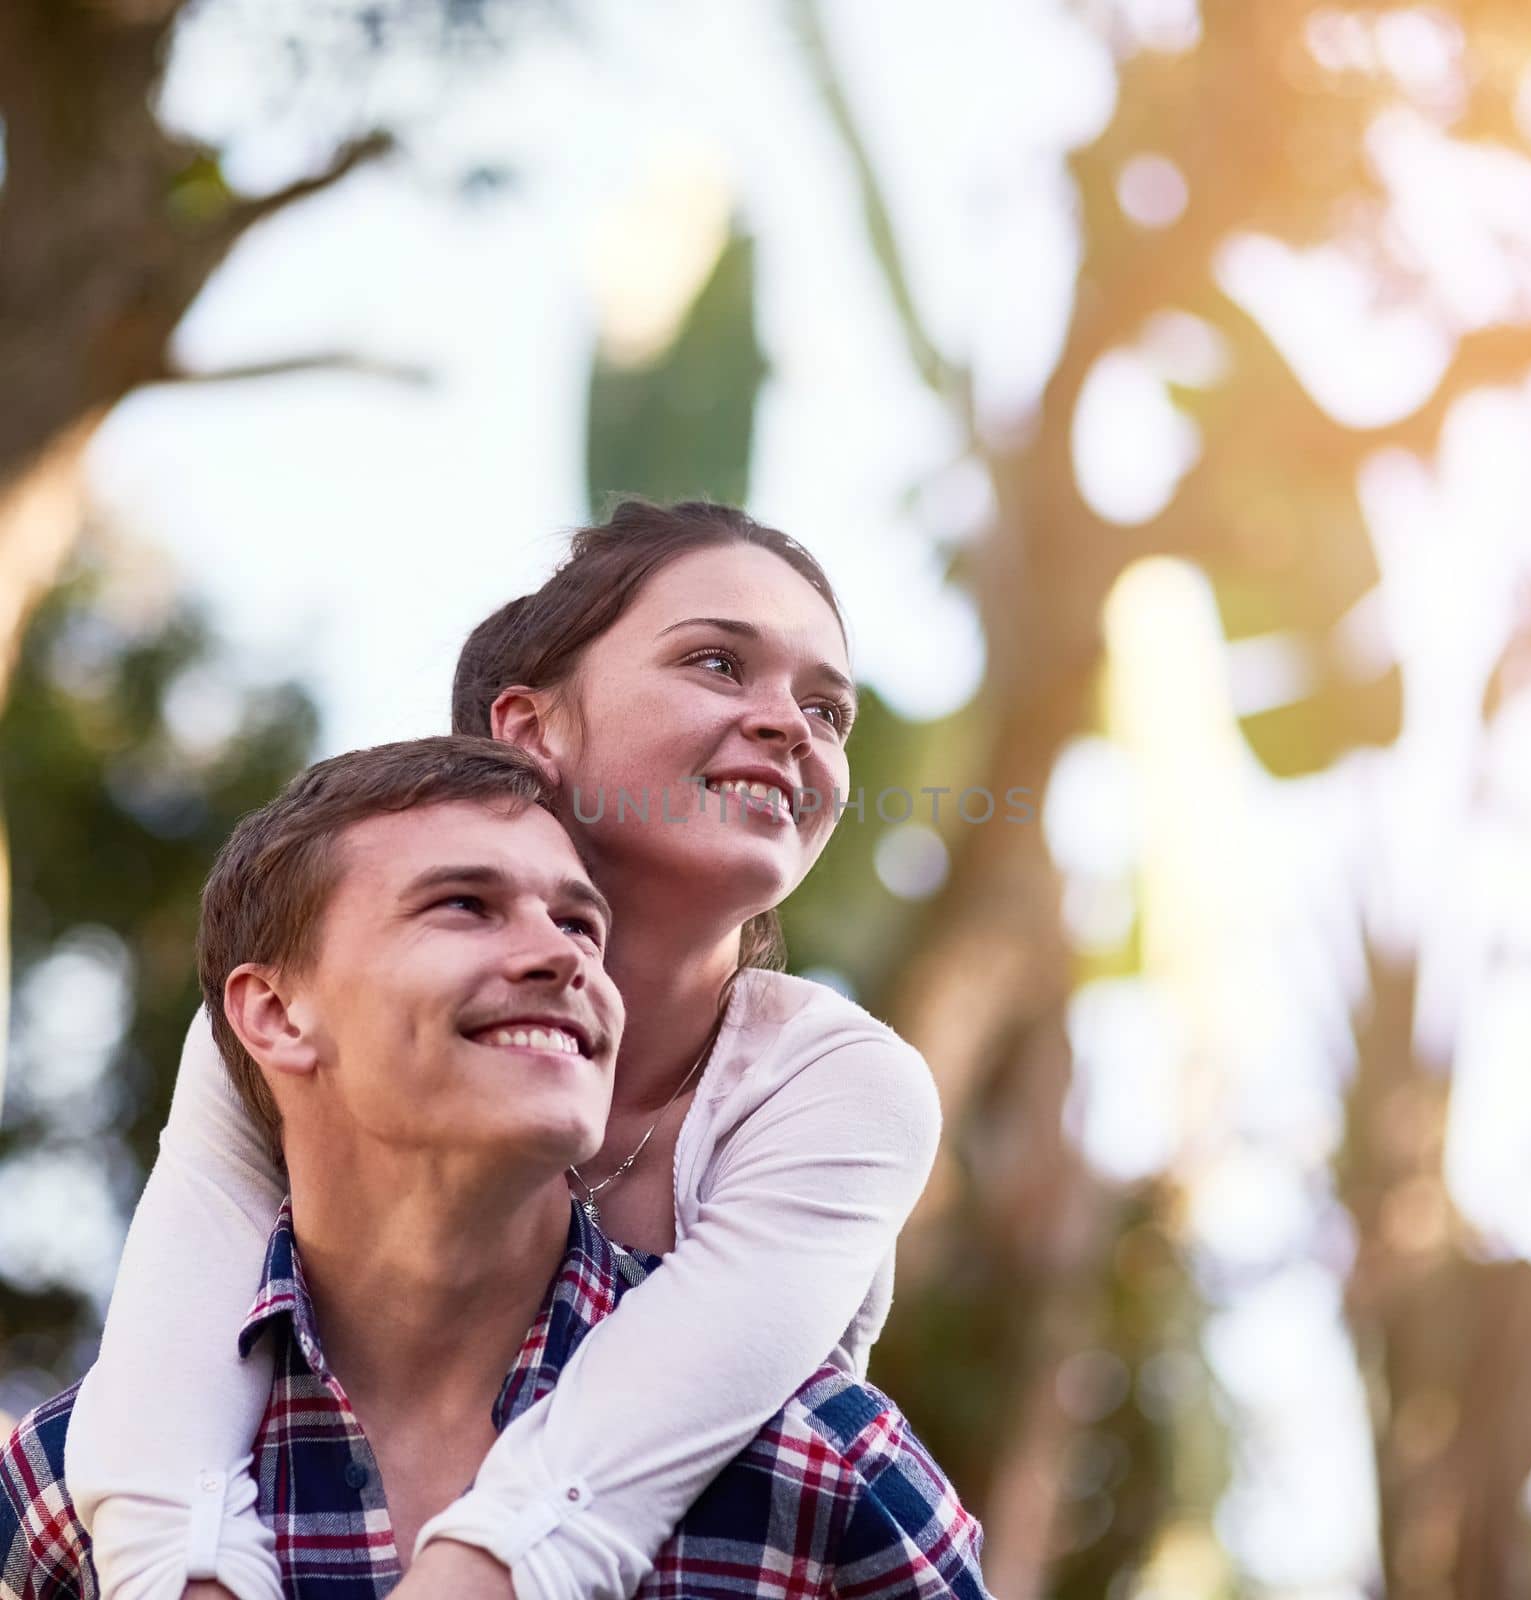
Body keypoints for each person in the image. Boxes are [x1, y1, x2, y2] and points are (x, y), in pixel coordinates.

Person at [63, 502, 952, 1600]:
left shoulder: (837, 1090)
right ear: (531, 725)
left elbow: (600, 1481)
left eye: (827, 707)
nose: (791, 725)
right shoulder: (297, 1015)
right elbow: (166, 1382)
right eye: (719, 663)